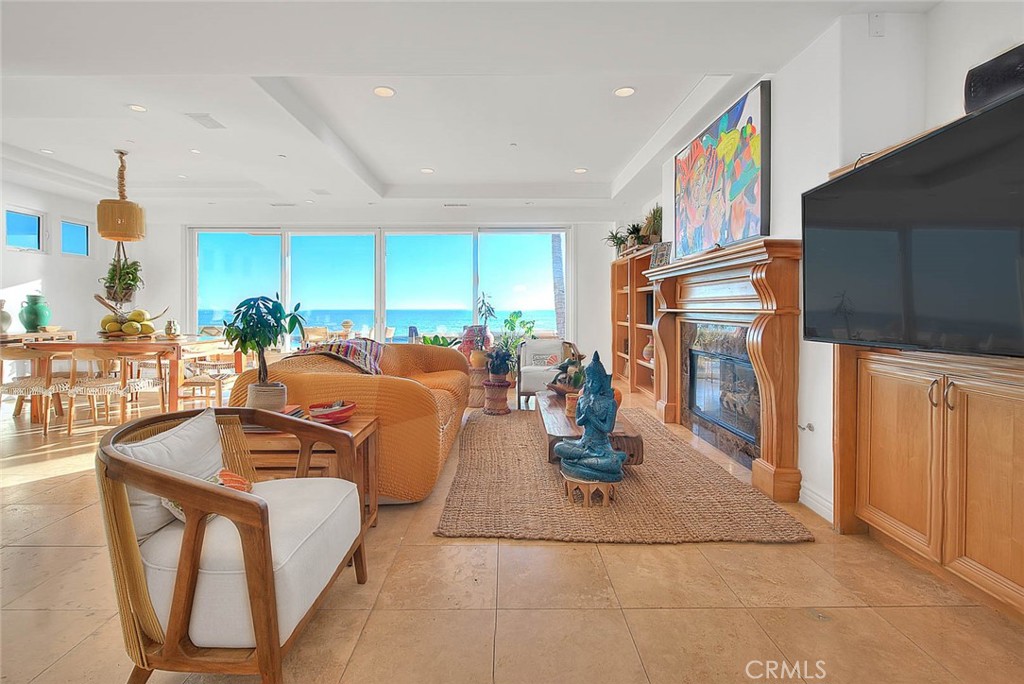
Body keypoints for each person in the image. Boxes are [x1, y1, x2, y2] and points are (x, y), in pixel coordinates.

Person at [554, 351, 626, 482]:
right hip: (583, 443)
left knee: (614, 463)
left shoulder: (610, 403)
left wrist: (591, 417)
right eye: (589, 381)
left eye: (596, 382)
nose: (592, 385)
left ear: (603, 382)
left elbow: (607, 428)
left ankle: (579, 462)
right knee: (558, 447)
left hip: (601, 446)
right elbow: (579, 422)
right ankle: (587, 458)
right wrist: (585, 416)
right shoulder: (582, 399)